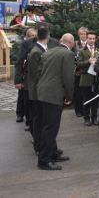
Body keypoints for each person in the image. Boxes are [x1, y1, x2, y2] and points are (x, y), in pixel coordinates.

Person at [36, 33, 75, 170]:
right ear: (72, 43)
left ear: (60, 41)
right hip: (54, 95)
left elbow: (39, 72)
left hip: (42, 93)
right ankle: (44, 160)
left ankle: (52, 153)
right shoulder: (68, 55)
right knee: (50, 128)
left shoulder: (48, 52)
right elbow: (68, 79)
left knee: (47, 125)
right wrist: (69, 97)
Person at [25, 24, 52, 154]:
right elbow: (37, 74)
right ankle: (38, 146)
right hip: (37, 93)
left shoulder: (41, 49)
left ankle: (45, 145)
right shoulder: (36, 52)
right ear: (48, 36)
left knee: (42, 120)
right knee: (38, 121)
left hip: (42, 92)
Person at [76, 31, 99, 126]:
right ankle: (86, 117)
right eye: (90, 38)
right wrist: (88, 61)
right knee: (86, 98)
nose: (92, 40)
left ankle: (94, 117)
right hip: (86, 77)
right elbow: (78, 64)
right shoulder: (82, 51)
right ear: (86, 39)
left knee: (95, 99)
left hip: (96, 78)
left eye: (93, 38)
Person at [14, 27, 37, 126]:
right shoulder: (21, 44)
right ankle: (20, 113)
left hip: (31, 75)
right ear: (27, 36)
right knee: (22, 95)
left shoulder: (36, 45)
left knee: (28, 97)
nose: (33, 37)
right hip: (23, 74)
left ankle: (30, 119)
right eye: (31, 36)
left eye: (35, 36)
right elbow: (16, 59)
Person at [73, 27, 88, 117]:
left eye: (84, 34)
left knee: (85, 92)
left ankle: (85, 109)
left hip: (87, 71)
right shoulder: (75, 44)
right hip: (77, 71)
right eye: (81, 34)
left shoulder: (90, 43)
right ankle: (78, 110)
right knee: (78, 92)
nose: (83, 35)